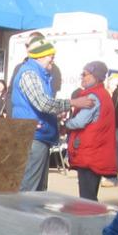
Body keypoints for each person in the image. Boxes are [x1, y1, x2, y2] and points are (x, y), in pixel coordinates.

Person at [10, 38, 86, 192]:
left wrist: (55, 116)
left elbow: (40, 105)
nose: (53, 60)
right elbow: (43, 103)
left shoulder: (40, 75)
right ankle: (24, 215)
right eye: (51, 57)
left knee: (38, 189)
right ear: (41, 56)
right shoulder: (30, 74)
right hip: (33, 136)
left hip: (39, 134)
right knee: (30, 188)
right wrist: (72, 102)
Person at [64, 60, 116, 200]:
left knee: (87, 198)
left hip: (90, 153)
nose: (82, 76)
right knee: (89, 195)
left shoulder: (94, 96)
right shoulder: (102, 94)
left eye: (85, 74)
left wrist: (65, 124)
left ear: (95, 76)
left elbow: (80, 122)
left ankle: (89, 221)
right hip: (94, 151)